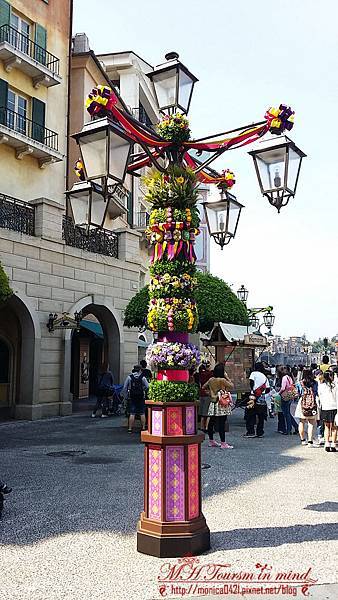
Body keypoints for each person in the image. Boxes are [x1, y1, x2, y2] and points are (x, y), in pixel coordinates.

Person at [202, 363, 234, 449]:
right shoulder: (222, 380)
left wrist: (210, 393)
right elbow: (231, 385)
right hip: (221, 403)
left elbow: (203, 387)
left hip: (213, 402)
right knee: (221, 423)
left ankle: (211, 441)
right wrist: (227, 377)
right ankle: (223, 443)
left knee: (211, 422)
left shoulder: (211, 379)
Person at [244, 362, 270, 438]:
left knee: (250, 414)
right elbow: (268, 389)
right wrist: (262, 392)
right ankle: (260, 432)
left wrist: (252, 390)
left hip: (253, 397)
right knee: (261, 416)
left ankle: (251, 432)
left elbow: (251, 382)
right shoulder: (264, 377)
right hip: (261, 398)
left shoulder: (253, 373)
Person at [295, 369, 319, 446]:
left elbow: (297, 394)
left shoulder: (300, 383)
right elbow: (316, 392)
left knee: (301, 422)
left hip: (302, 403)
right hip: (312, 403)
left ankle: (303, 440)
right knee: (311, 423)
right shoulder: (315, 383)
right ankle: (310, 441)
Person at [122, 365, 149, 433]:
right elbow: (147, 386)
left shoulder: (129, 377)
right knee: (142, 413)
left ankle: (130, 429)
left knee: (132, 413)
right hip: (141, 397)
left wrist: (126, 396)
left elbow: (125, 387)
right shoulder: (143, 378)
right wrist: (143, 390)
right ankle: (143, 428)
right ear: (140, 370)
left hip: (132, 397)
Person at [317, 370, 338, 452]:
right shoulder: (335, 386)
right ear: (331, 376)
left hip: (325, 408)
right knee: (334, 427)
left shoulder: (321, 386)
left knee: (326, 427)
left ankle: (327, 443)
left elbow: (320, 396)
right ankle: (333, 443)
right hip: (334, 408)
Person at [279, 366, 299, 435]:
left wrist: (278, 393)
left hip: (285, 396)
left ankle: (289, 429)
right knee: (288, 413)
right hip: (290, 396)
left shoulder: (284, 378)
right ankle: (296, 427)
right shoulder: (290, 377)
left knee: (286, 414)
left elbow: (283, 388)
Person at [198, 363, 213, 433]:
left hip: (201, 394)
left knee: (202, 412)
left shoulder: (200, 374)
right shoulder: (210, 374)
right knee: (207, 413)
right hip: (207, 394)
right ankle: (206, 427)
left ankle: (201, 427)